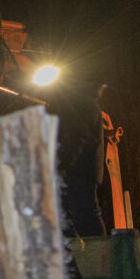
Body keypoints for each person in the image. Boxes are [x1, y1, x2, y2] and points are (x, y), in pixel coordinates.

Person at [48, 80, 108, 238]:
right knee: (76, 216)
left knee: (84, 216)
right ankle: (88, 256)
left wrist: (63, 164)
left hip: (78, 172)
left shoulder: (83, 106)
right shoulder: (88, 106)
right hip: (81, 171)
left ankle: (96, 257)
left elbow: (77, 139)